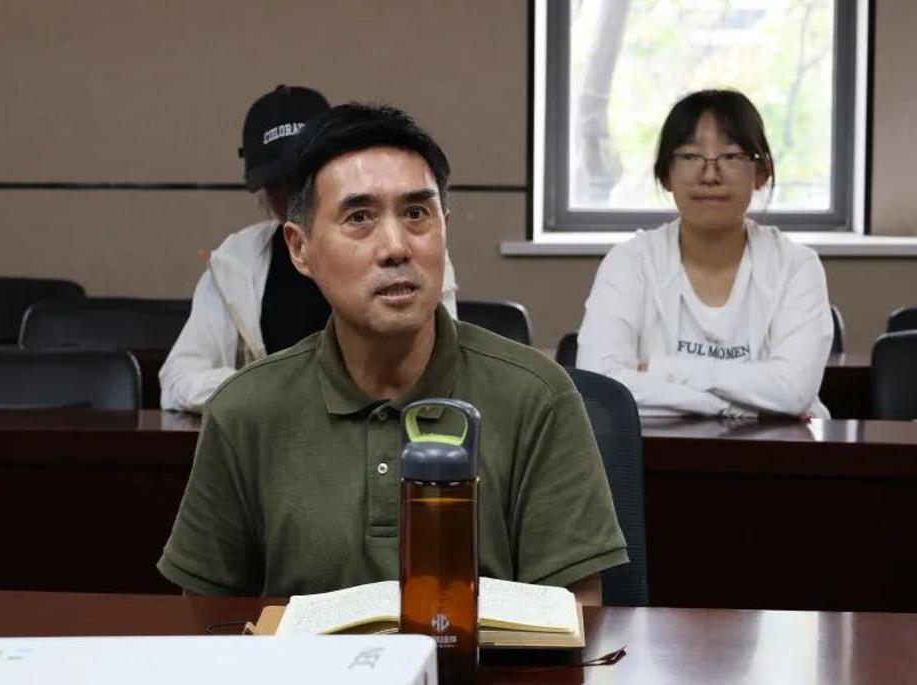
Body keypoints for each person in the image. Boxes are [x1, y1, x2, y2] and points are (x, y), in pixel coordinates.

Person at [158, 104, 628, 604]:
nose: (396, 247)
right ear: (299, 248)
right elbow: (204, 620)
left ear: (445, 227)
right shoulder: (243, 410)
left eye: (416, 214)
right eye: (359, 218)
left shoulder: (537, 396)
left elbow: (575, 612)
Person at [159, 85, 459, 412]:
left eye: (303, 182)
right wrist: (281, 391)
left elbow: (438, 368)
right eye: (279, 186)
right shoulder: (236, 261)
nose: (295, 199)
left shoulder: (407, 253)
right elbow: (179, 379)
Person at [576, 89, 833, 418]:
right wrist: (734, 407)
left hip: (779, 450)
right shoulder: (630, 263)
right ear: (665, 174)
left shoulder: (796, 266)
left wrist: (660, 370)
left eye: (731, 156)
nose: (710, 175)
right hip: (656, 450)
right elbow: (600, 390)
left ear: (762, 172)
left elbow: (794, 390)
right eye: (690, 156)